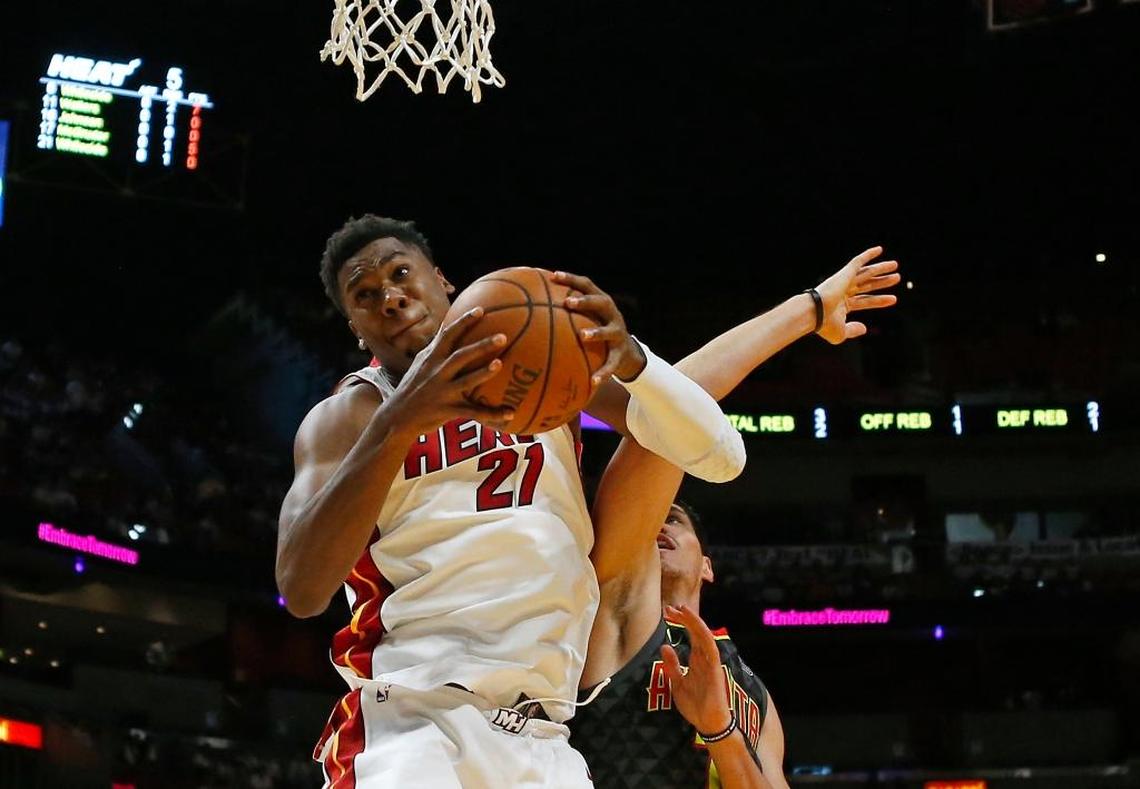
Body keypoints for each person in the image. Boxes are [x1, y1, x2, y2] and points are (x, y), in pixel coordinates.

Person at [275, 215, 747, 787]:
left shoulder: (543, 360)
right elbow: (300, 590)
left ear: (443, 280)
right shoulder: (350, 416)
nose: (392, 299)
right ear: (355, 325)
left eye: (402, 275)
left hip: (545, 739)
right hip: (414, 726)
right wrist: (398, 425)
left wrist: (635, 362)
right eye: (366, 296)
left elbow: (720, 457)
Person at [572, 247, 901, 788]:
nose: (661, 524)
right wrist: (810, 310)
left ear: (708, 565)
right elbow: (670, 414)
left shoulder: (752, 690)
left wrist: (720, 730)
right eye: (659, 512)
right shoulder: (615, 603)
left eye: (677, 520)